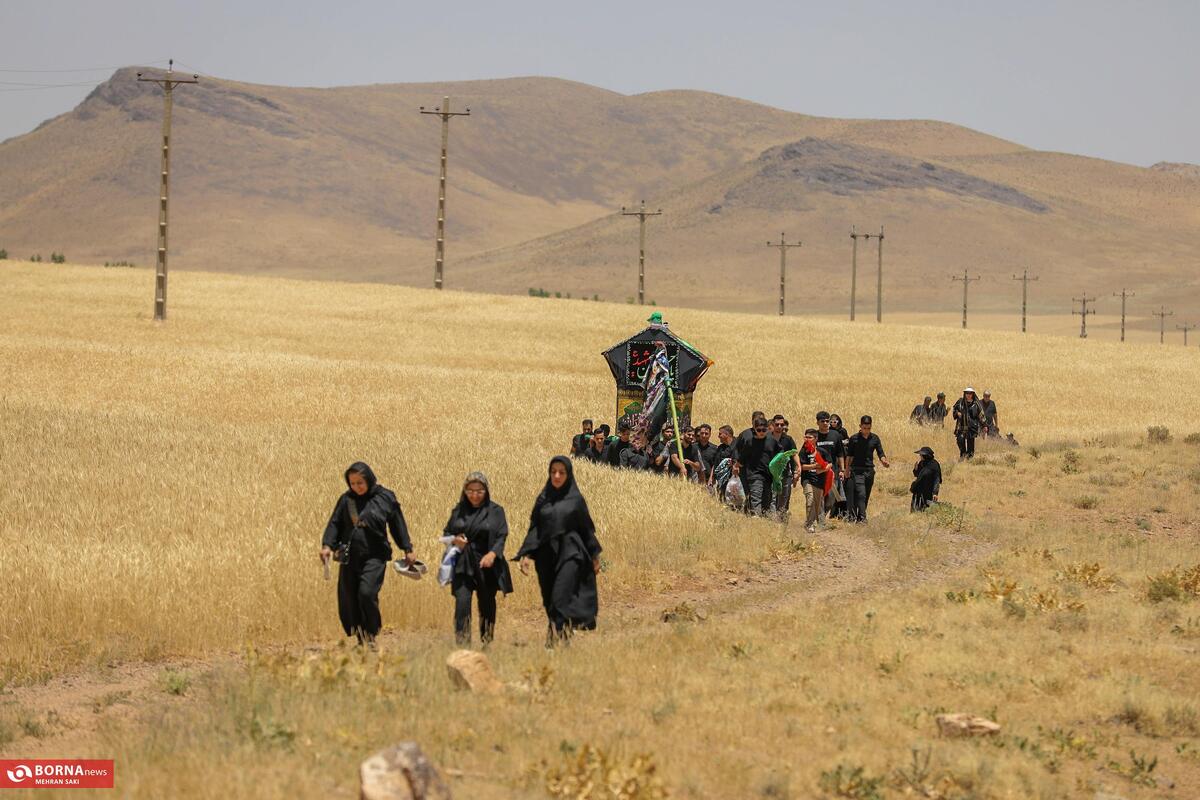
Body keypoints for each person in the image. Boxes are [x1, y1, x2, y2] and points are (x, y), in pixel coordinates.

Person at [320, 462, 416, 650]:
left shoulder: (385, 498)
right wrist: (327, 546)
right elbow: (335, 523)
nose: (356, 487)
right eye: (352, 483)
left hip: (375, 556)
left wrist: (407, 548)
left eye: (360, 483)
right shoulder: (346, 500)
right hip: (350, 557)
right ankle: (361, 639)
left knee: (366, 593)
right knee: (350, 598)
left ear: (369, 479)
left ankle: (371, 633)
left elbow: (397, 524)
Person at [516, 457, 603, 642]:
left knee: (560, 596)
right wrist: (526, 554)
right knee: (548, 599)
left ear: (568, 474)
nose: (556, 476)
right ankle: (563, 636)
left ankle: (552, 640)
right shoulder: (543, 498)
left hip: (571, 553)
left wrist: (595, 557)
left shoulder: (576, 499)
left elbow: (586, 529)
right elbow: (535, 528)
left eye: (561, 472)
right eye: (553, 471)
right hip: (545, 556)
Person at [442, 472, 512, 645]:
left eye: (479, 491)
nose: (474, 495)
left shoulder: (496, 511)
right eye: (470, 490)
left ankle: (487, 641)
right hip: (463, 564)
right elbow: (447, 532)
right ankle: (463, 646)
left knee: (487, 606)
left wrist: (492, 554)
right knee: (462, 605)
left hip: (486, 564)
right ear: (465, 491)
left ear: (486, 491)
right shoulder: (458, 510)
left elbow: (501, 536)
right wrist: (454, 540)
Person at [844, 416, 891, 523]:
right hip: (857, 470)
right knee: (861, 493)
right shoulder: (854, 438)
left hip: (869, 470)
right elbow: (849, 456)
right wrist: (847, 469)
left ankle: (859, 517)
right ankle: (863, 519)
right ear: (860, 426)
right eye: (864, 428)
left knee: (866, 495)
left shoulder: (875, 438)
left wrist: (884, 461)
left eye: (869, 428)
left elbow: (880, 452)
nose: (866, 431)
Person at [734, 415, 780, 515]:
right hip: (754, 475)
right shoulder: (749, 442)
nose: (761, 433)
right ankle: (756, 520)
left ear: (768, 429)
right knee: (756, 498)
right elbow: (741, 458)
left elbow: (781, 454)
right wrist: (736, 466)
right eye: (759, 430)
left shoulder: (772, 441)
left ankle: (764, 522)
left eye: (764, 430)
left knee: (767, 500)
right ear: (754, 429)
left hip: (769, 475)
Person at [798, 428, 832, 532]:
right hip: (807, 480)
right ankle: (809, 524)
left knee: (818, 503)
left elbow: (829, 463)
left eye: (810, 437)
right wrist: (814, 466)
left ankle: (821, 523)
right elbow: (802, 466)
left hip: (819, 481)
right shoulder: (803, 451)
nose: (807, 439)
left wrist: (823, 469)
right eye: (806, 437)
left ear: (816, 439)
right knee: (810, 499)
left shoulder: (822, 451)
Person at [815, 412, 847, 520]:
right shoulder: (815, 436)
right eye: (822, 421)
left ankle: (821, 516)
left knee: (831, 499)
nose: (825, 423)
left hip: (833, 472)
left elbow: (840, 454)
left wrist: (842, 470)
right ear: (817, 422)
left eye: (827, 421)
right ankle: (820, 520)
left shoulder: (835, 435)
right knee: (820, 497)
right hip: (818, 472)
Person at [770, 415, 801, 519]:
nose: (779, 426)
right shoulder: (767, 438)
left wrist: (798, 467)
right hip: (770, 473)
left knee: (784, 496)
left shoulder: (788, 439)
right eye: (777, 424)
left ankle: (781, 519)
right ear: (772, 425)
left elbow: (794, 453)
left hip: (785, 473)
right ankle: (772, 519)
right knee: (772, 497)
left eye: (781, 425)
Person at [953, 388, 984, 460]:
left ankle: (969, 460)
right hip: (961, 426)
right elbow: (955, 409)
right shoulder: (960, 402)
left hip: (972, 427)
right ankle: (962, 456)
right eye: (967, 393)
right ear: (965, 394)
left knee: (970, 446)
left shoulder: (976, 404)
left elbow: (981, 415)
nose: (968, 395)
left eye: (970, 393)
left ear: (973, 394)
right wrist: (957, 413)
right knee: (960, 441)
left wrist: (984, 425)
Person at [910, 447, 942, 512]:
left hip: (928, 490)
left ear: (925, 456)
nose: (920, 456)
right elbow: (917, 475)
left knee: (926, 508)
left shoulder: (934, 465)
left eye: (921, 455)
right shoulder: (922, 463)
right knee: (915, 509)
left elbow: (937, 480)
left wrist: (935, 493)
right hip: (918, 490)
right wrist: (915, 469)